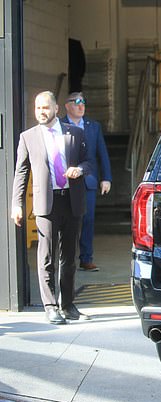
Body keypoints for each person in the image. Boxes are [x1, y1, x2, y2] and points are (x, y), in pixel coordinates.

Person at [11, 91, 91, 324]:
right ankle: (50, 306)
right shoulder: (28, 137)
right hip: (46, 203)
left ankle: (68, 305)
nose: (41, 112)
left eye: (45, 107)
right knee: (46, 255)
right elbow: (21, 172)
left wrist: (80, 170)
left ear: (56, 109)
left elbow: (88, 161)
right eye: (37, 108)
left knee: (69, 256)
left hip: (71, 199)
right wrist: (16, 203)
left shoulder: (74, 133)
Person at [62, 92, 112, 272]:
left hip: (88, 179)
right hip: (65, 179)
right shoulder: (59, 125)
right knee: (68, 220)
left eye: (83, 102)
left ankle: (86, 258)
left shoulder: (93, 126)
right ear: (67, 106)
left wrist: (106, 178)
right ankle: (66, 258)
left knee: (88, 219)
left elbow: (102, 153)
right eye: (76, 102)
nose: (81, 105)